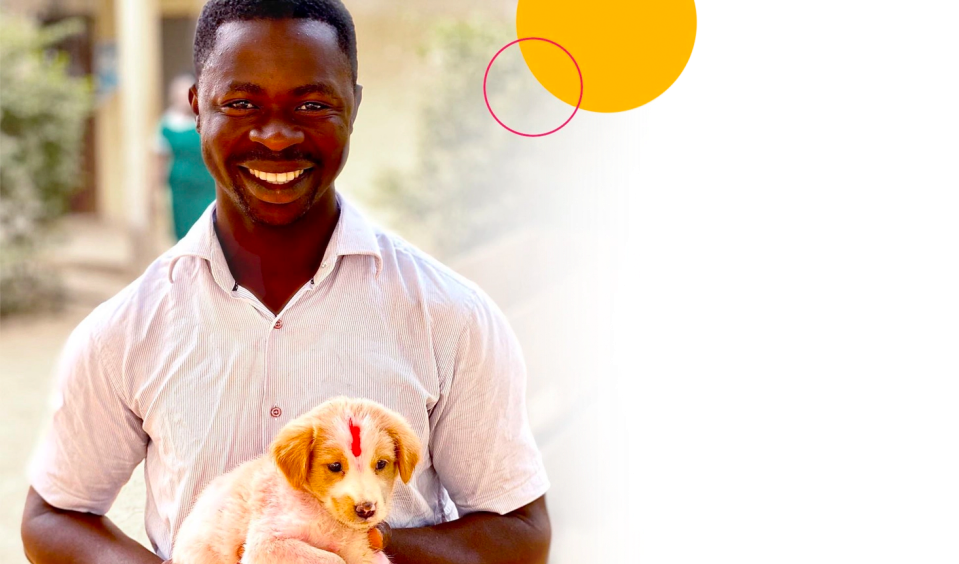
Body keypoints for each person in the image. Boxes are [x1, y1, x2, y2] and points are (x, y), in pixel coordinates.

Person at [20, 1, 551, 563]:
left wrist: (359, 538)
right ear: (198, 107)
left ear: (354, 107)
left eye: (313, 103)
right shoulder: (126, 328)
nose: (275, 137)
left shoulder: (449, 316)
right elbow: (55, 515)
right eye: (242, 102)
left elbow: (520, 532)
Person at [154, 73, 217, 241]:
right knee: (184, 234)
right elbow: (160, 161)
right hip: (180, 191)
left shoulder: (209, 121)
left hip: (208, 188)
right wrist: (155, 193)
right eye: (179, 95)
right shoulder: (167, 124)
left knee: (209, 232)